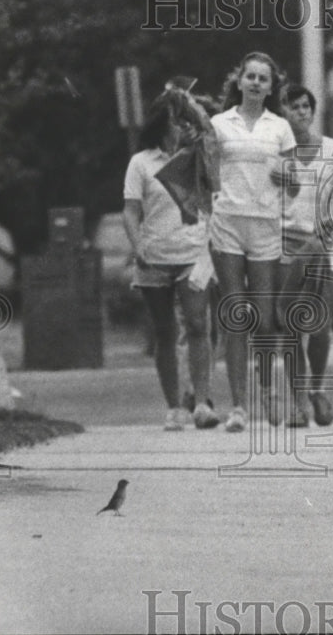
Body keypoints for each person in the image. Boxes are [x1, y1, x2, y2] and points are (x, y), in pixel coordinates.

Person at [208, 52, 299, 432]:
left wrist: (284, 178)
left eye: (264, 78)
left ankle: (267, 390)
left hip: (265, 225)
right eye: (251, 76)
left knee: (263, 318)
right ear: (239, 80)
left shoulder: (279, 127)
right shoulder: (218, 123)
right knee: (235, 316)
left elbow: (294, 184)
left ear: (271, 86)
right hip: (227, 222)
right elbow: (208, 172)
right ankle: (239, 407)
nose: (257, 83)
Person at [122, 84, 219, 431]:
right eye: (177, 121)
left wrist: (191, 106)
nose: (183, 128)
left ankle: (203, 401)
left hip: (193, 252)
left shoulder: (198, 158)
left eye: (186, 121)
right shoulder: (141, 163)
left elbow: (210, 131)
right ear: (162, 123)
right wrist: (139, 248)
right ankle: (174, 405)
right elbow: (131, 212)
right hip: (154, 257)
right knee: (165, 331)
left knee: (198, 324)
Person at [276, 84, 333, 427]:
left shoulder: (332, 151)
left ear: (312, 112)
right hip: (284, 246)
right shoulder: (277, 154)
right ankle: (298, 401)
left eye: (305, 106)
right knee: (289, 326)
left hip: (320, 245)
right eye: (293, 106)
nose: (300, 112)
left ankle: (318, 388)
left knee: (321, 325)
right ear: (282, 112)